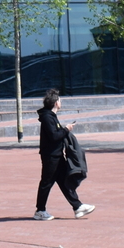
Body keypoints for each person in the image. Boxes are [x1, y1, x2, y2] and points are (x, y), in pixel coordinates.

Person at [34, 89, 92, 220]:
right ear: (55, 103)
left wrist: (64, 130)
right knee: (46, 183)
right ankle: (40, 210)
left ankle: (77, 206)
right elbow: (54, 136)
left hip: (57, 155)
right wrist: (66, 129)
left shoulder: (51, 116)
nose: (61, 102)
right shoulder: (47, 117)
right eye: (59, 100)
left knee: (64, 181)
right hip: (50, 157)